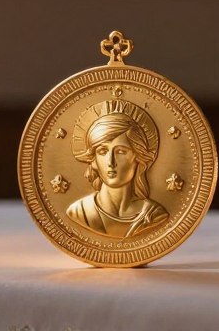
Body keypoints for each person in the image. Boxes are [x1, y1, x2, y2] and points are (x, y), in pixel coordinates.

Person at [66, 100, 169, 237]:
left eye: (121, 152)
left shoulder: (154, 215)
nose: (111, 162)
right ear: (94, 161)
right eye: (102, 151)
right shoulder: (79, 211)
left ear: (138, 158)